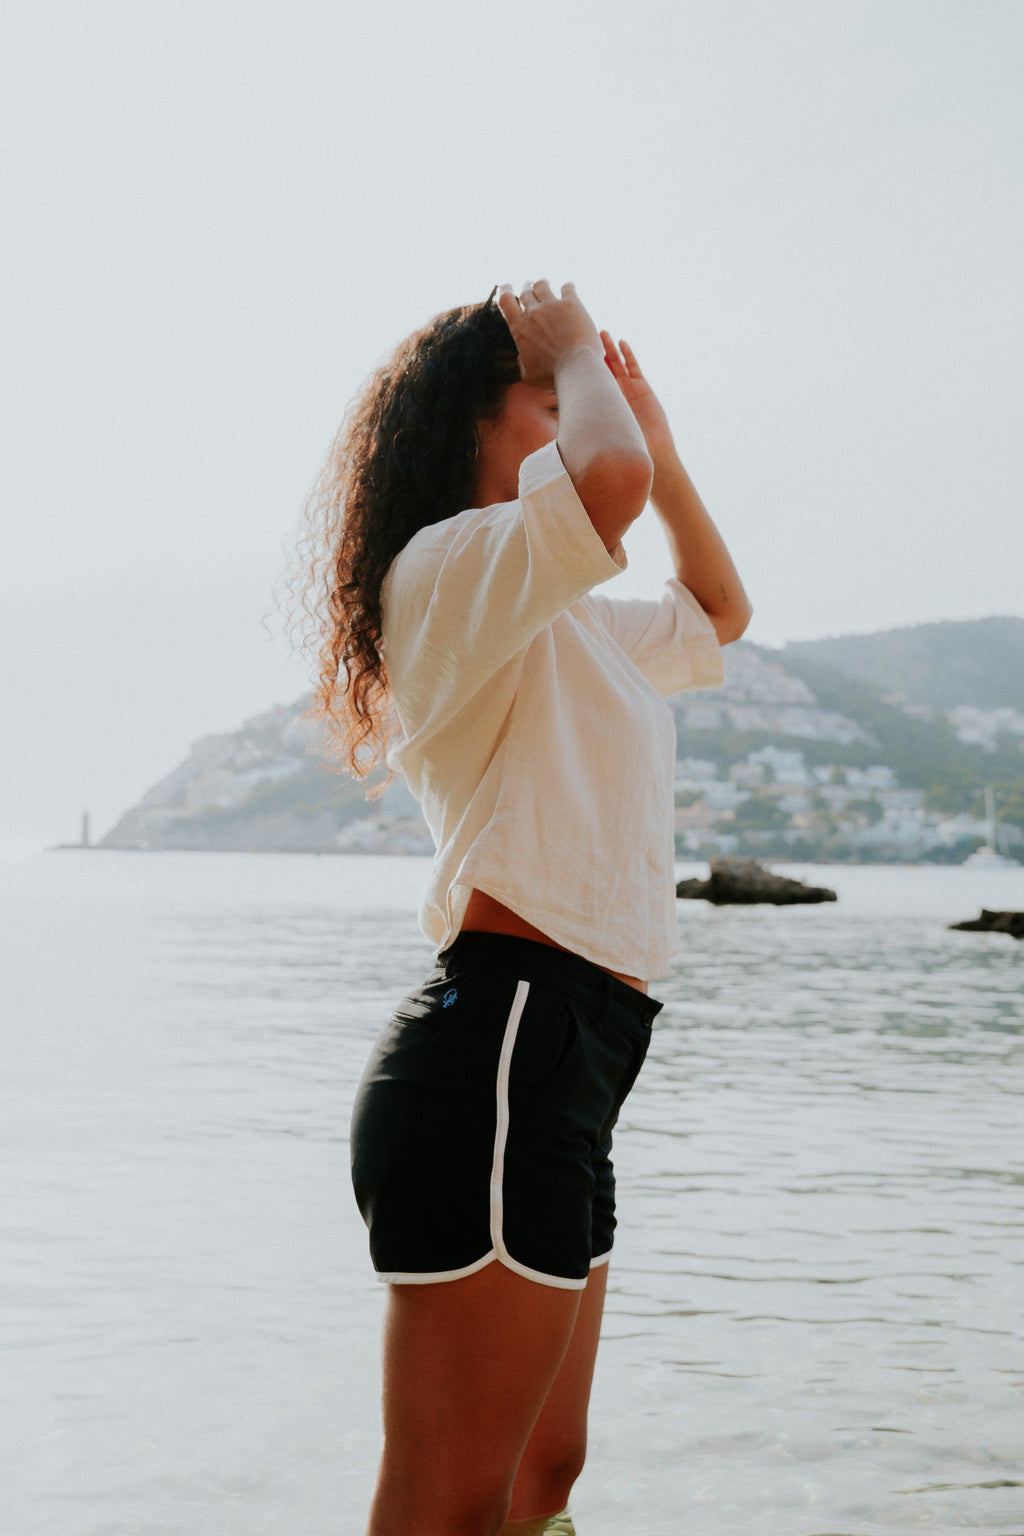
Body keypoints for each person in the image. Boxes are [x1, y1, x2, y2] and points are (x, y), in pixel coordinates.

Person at [301, 280, 752, 1536]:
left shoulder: (563, 613)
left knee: (541, 1478)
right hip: (503, 1036)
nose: (572, 414)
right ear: (468, 426)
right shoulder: (444, 570)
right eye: (543, 399)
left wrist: (655, 447)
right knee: (449, 1507)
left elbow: (719, 611)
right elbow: (596, 491)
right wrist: (570, 351)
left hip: (580, 1058)